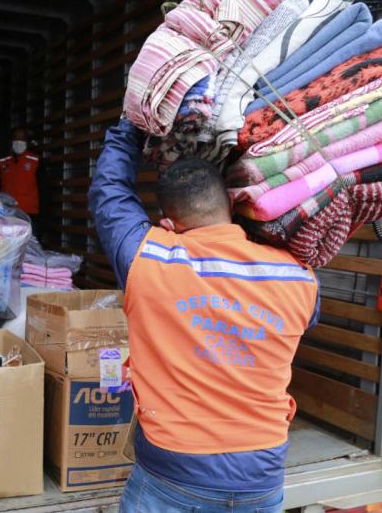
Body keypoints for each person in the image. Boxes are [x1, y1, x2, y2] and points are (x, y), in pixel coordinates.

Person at [88, 118, 320, 513]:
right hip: (262, 473)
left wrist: (129, 127)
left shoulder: (148, 257)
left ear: (167, 223)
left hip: (171, 471)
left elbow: (109, 194)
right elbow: (307, 320)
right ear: (232, 204)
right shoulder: (299, 276)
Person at [0, 127, 41, 230]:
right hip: (7, 212)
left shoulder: (36, 161)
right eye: (16, 138)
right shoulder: (3, 162)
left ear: (27, 142)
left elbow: (43, 189)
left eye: (22, 139)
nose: (18, 142)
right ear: (11, 141)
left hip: (29, 213)